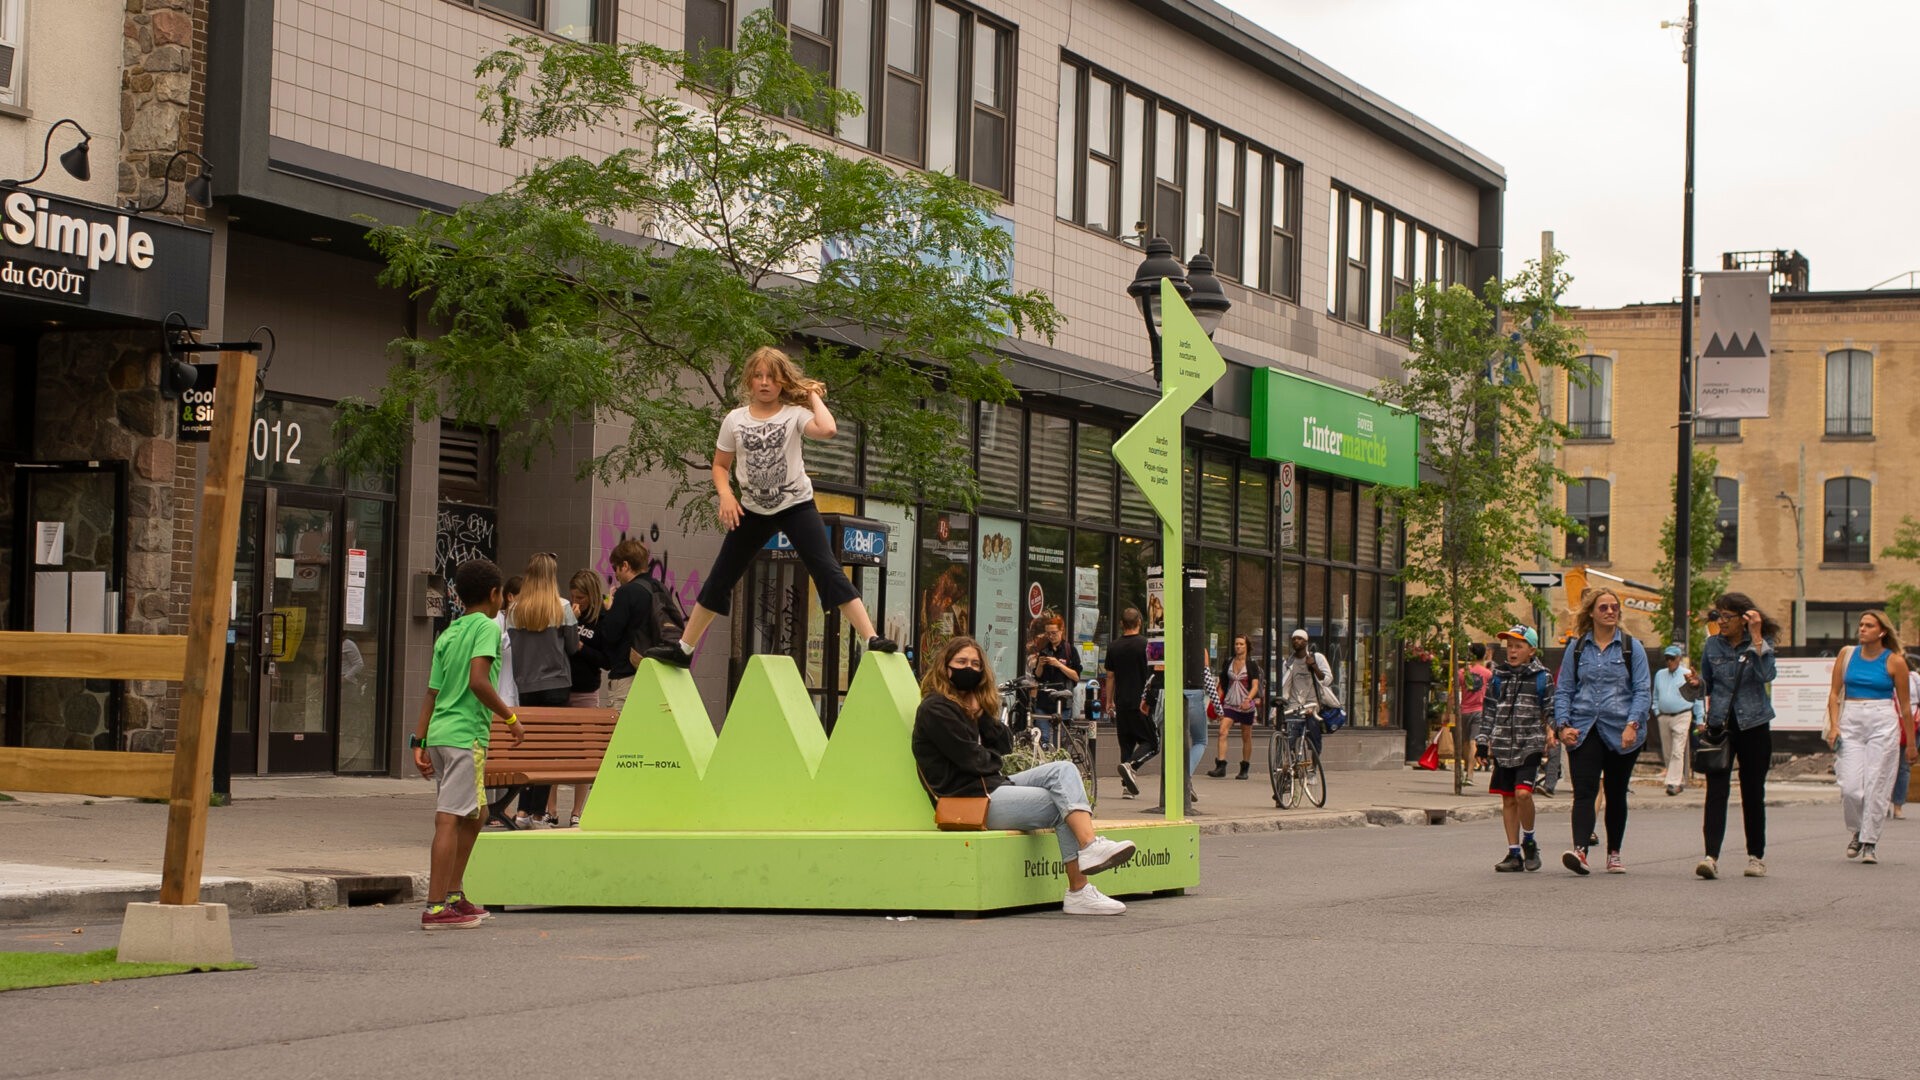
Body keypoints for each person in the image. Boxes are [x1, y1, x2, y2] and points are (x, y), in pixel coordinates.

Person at [647, 347, 897, 668]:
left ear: (782, 382)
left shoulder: (793, 414)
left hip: (795, 505)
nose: (764, 383)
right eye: (758, 376)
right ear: (750, 381)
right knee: (720, 577)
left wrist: (810, 396)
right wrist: (725, 495)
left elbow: (829, 429)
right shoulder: (734, 420)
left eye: (772, 377)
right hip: (752, 509)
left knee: (827, 569)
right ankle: (683, 649)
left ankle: (871, 638)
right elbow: (720, 466)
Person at [910, 636, 1137, 916]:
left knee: (1063, 769)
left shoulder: (970, 707)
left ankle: (1090, 850)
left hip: (992, 787)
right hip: (970, 799)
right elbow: (974, 760)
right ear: (946, 668)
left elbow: (1005, 745)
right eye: (961, 662)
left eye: (975, 664)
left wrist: (981, 716)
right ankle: (1079, 887)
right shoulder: (935, 709)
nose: (969, 668)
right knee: (1059, 802)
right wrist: (990, 756)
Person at [412, 558, 522, 930]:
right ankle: (436, 906)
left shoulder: (449, 633)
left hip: (441, 735)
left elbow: (431, 692)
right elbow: (479, 680)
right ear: (495, 595)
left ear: (458, 596)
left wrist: (419, 740)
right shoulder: (487, 629)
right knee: (450, 818)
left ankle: (455, 895)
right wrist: (510, 717)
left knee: (478, 815)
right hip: (465, 738)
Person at [1552, 588, 1650, 876]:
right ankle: (1580, 850)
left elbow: (1643, 690)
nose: (1610, 611)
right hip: (1584, 728)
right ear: (1592, 613)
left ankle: (1614, 853)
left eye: (1614, 607)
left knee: (1616, 792)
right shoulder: (1578, 647)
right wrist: (1562, 726)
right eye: (1604, 607)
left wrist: (1633, 725)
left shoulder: (1633, 648)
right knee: (1584, 790)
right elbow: (1565, 689)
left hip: (1622, 730)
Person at [1682, 595, 1780, 880]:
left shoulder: (1761, 643)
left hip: (1755, 724)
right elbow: (1709, 684)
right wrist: (1698, 684)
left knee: (1752, 792)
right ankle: (1710, 856)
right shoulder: (1713, 644)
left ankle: (1756, 857)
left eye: (1726, 616)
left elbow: (1766, 675)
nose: (1720, 622)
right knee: (1716, 792)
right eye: (1718, 616)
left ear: (1744, 618)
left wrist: (1757, 636)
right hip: (1720, 725)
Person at [1824, 610, 1915, 864]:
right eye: (1861, 625)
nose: (1862, 629)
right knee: (1851, 787)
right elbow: (1833, 694)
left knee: (1878, 783)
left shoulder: (1894, 661)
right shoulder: (1847, 654)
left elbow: (1906, 706)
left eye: (1868, 625)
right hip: (1851, 719)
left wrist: (1909, 744)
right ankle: (1856, 830)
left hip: (1882, 720)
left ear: (1882, 631)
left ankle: (1870, 841)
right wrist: (1834, 726)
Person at [507, 554, 579, 829]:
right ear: (551, 576)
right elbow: (572, 648)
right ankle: (538, 814)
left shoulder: (515, 610)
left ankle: (522, 811)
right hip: (557, 685)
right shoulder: (562, 607)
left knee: (529, 749)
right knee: (549, 752)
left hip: (526, 686)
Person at [1477, 626, 1553, 872]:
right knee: (1508, 799)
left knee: (1523, 794)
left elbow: (1550, 709)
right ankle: (1513, 854)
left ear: (1531, 650)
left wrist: (1558, 730)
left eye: (1518, 646)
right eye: (1509, 646)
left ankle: (1529, 840)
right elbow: (1489, 709)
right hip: (1502, 746)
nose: (1512, 651)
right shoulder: (1498, 676)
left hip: (1529, 742)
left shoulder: (1542, 677)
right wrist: (1482, 739)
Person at [565, 567, 607, 827]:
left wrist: (581, 647)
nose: (576, 602)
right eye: (573, 596)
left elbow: (606, 659)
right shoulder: (567, 614)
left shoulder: (602, 620)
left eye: (581, 597)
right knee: (557, 750)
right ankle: (550, 808)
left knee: (584, 752)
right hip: (562, 687)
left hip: (586, 688)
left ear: (591, 596)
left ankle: (577, 809)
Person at [595, 539, 654, 712]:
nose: (616, 575)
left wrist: (608, 610)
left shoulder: (626, 592)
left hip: (626, 675)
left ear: (625, 565)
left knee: (618, 733)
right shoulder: (658, 589)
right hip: (652, 676)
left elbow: (609, 635)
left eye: (615, 568)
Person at [1104, 607, 1155, 798]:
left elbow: (1110, 676)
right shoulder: (1147, 644)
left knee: (1126, 745)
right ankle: (1131, 766)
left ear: (1121, 624)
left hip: (1122, 702)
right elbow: (1155, 672)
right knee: (1152, 742)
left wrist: (1109, 701)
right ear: (1139, 623)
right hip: (1142, 703)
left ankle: (1127, 788)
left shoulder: (1113, 646)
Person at [1208, 634, 1264, 780]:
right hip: (1230, 703)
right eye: (1236, 644)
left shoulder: (1251, 664)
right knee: (1222, 731)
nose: (1238, 646)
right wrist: (1216, 703)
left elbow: (1255, 686)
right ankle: (1221, 765)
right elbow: (1222, 684)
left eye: (1241, 644)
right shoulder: (1228, 662)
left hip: (1246, 705)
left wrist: (1248, 699)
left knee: (1246, 736)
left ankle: (1244, 767)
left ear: (1247, 646)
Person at [1653, 644, 1705, 796]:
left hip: (1682, 714)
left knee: (1677, 750)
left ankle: (1673, 783)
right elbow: (1655, 694)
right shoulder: (1660, 674)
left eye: (1672, 658)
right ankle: (1677, 778)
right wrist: (1657, 711)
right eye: (1667, 658)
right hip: (1664, 715)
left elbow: (1697, 698)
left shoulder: (1687, 674)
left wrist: (1700, 718)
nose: (1669, 662)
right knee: (1668, 751)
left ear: (1679, 659)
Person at [1277, 629, 1333, 760]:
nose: (1296, 641)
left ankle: (1313, 769)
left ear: (1306, 641)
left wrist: (1314, 666)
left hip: (1312, 704)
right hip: (1294, 705)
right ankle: (1291, 766)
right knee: (1289, 737)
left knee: (1314, 737)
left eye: (1299, 638)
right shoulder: (1288, 662)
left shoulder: (1317, 658)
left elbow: (1327, 680)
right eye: (1294, 639)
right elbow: (1284, 686)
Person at [1027, 613, 1080, 749]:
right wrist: (1040, 664)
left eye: (1054, 633)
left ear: (1061, 630)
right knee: (1043, 738)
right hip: (1044, 701)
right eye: (1048, 633)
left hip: (1062, 702)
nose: (1051, 636)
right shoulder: (1044, 650)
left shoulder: (1070, 650)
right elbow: (1038, 677)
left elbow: (1076, 676)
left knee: (1059, 740)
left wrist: (1059, 664)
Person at [1457, 643, 1493, 774]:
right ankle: (1470, 773)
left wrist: (1448, 711)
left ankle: (1467, 767)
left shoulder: (1461, 672)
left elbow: (1452, 695)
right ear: (1484, 655)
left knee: (1466, 742)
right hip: (1480, 710)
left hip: (1464, 710)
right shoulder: (1487, 674)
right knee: (1473, 742)